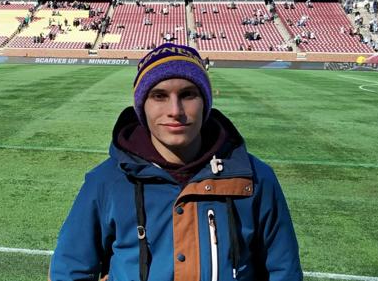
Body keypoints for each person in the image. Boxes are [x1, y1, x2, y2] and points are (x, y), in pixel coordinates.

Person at [50, 43, 302, 281]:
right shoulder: (106, 181)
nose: (175, 110)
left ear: (205, 102)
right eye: (159, 96)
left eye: (188, 94)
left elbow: (284, 271)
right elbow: (70, 269)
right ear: (142, 107)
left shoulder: (255, 178)